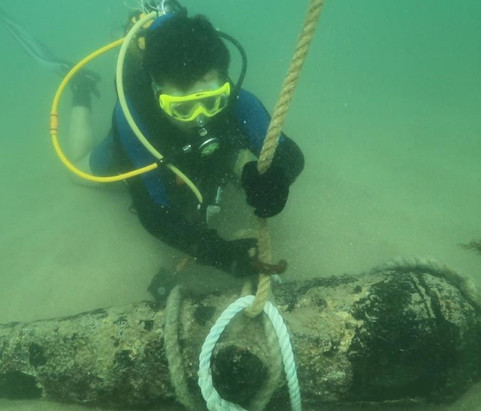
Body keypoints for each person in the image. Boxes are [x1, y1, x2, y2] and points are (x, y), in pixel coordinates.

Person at [67, 6, 305, 278]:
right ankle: (82, 91)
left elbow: (290, 154)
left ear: (223, 82)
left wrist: (279, 178)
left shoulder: (238, 101)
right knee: (76, 172)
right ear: (156, 92)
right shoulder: (134, 119)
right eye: (184, 108)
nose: (200, 119)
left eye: (211, 102)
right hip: (151, 154)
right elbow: (154, 215)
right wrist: (217, 253)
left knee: (228, 157)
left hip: (203, 160)